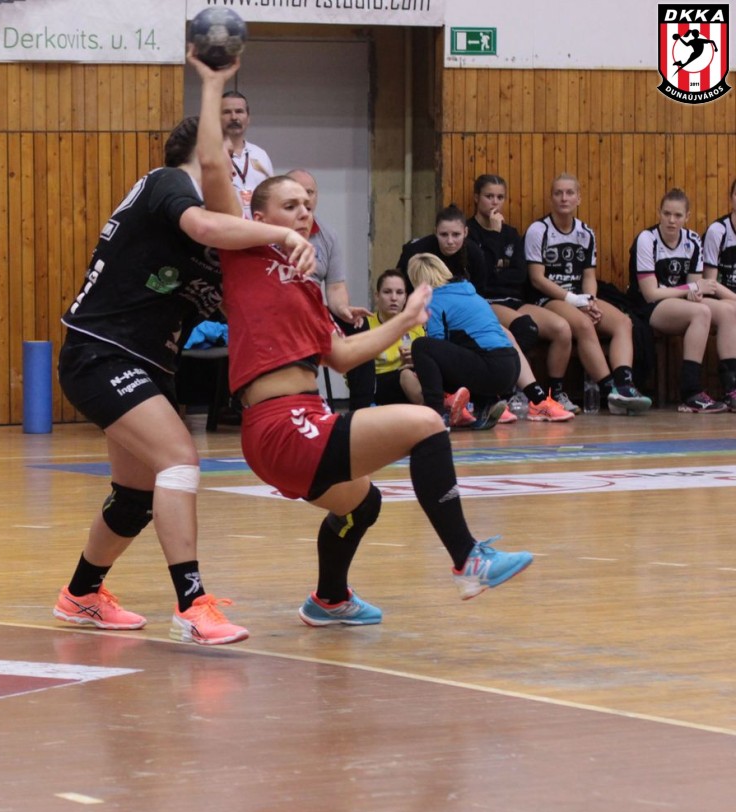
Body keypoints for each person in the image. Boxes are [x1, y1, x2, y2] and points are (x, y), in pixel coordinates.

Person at [195, 76, 532, 627]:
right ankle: (468, 560)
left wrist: (404, 320)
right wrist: (212, 84)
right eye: (289, 204)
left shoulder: (306, 284)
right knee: (427, 422)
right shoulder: (246, 253)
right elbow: (212, 164)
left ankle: (329, 600)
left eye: (307, 204)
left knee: (363, 503)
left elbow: (343, 355)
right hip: (280, 427)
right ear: (258, 217)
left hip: (305, 418)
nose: (303, 212)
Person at [51, 50, 316, 645]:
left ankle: (81, 595)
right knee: (179, 461)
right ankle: (193, 605)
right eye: (221, 157)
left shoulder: (219, 246)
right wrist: (280, 232)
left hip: (147, 363)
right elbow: (203, 224)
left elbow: (245, 302)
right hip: (101, 352)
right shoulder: (167, 182)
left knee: (135, 495)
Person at [525, 173, 652, 414]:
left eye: (569, 193)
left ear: (579, 198)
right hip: (548, 298)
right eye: (558, 193)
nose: (564, 198)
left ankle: (625, 385)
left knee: (624, 322)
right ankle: (610, 390)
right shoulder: (538, 230)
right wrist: (574, 301)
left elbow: (589, 276)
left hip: (579, 297)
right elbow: (537, 279)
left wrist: (590, 300)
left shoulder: (585, 232)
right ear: (551, 198)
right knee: (583, 324)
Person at [466, 174, 578, 418]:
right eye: (488, 196)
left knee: (561, 328)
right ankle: (508, 388)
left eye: (500, 197)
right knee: (525, 328)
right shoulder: (469, 233)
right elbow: (483, 276)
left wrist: (499, 268)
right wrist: (494, 239)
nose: (494, 202)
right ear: (476, 198)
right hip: (486, 301)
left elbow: (519, 275)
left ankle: (555, 392)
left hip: (514, 300)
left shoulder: (511, 233)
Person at [629, 189, 735, 412]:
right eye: (667, 214)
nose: (671, 220)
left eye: (677, 215)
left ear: (687, 217)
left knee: (728, 311)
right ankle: (690, 392)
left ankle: (731, 389)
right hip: (649, 308)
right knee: (701, 312)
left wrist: (694, 292)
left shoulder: (693, 240)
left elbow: (695, 287)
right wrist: (691, 290)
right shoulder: (647, 239)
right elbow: (650, 294)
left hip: (679, 300)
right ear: (659, 213)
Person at [285, 167, 375, 411]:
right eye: (297, 193)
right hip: (282, 311)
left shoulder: (328, 236)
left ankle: (361, 410)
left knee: (358, 325)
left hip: (313, 310)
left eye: (310, 193)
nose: (305, 200)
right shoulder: (271, 231)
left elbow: (335, 287)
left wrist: (343, 309)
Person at [406, 254, 518, 430]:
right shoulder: (470, 292)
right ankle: (486, 404)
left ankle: (436, 413)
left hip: (491, 367)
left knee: (421, 346)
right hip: (511, 365)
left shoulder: (434, 300)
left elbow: (435, 344)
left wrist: (419, 367)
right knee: (465, 349)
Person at [396, 205, 492, 293]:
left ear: (465, 232)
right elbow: (399, 286)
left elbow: (480, 291)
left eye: (456, 234)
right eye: (444, 234)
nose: (450, 241)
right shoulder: (415, 252)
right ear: (435, 232)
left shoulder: (474, 253)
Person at [701, 177, 736, 406]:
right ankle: (731, 387)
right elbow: (710, 282)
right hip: (716, 297)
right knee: (731, 311)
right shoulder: (718, 231)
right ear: (731, 198)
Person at [367, 270, 424, 406]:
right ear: (377, 296)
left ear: (405, 298)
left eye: (399, 293)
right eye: (387, 292)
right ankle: (438, 409)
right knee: (406, 374)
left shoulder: (415, 325)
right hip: (376, 385)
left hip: (410, 381)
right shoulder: (365, 325)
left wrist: (415, 360)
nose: (394, 298)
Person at [221, 90, 274, 217]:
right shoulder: (210, 155)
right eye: (227, 112)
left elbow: (273, 195)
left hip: (258, 226)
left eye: (239, 111)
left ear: (248, 118)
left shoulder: (260, 155)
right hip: (226, 225)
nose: (234, 117)